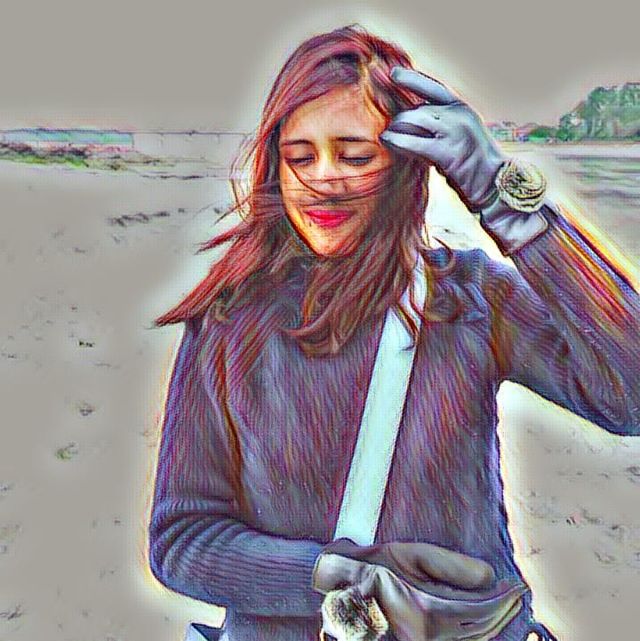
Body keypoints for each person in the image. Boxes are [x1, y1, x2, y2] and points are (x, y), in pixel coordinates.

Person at [147, 24, 640, 641]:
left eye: (355, 156)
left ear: (405, 165)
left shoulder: (469, 298)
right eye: (300, 157)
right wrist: (330, 574)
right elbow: (182, 539)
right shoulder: (229, 317)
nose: (323, 178)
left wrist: (502, 196)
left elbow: (630, 394)